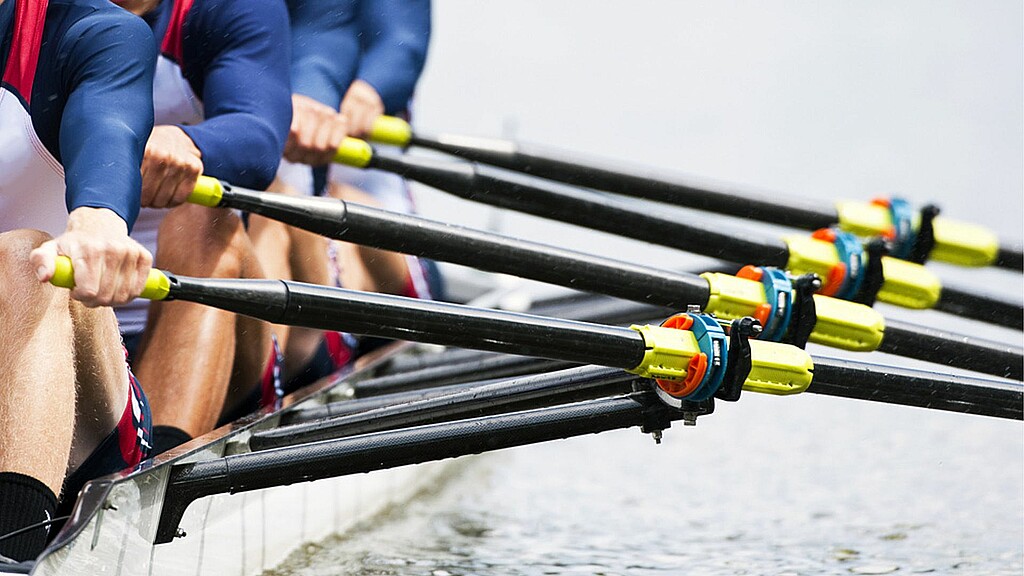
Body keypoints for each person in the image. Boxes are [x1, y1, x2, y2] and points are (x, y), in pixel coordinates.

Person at [0, 0, 156, 562]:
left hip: (83, 414)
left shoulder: (94, 33)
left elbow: (107, 127)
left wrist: (98, 218)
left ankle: (13, 544)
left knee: (27, 256)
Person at [111, 0, 292, 454]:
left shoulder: (221, 10)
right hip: (66, 314)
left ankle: (158, 472)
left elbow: (259, 137)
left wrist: (186, 140)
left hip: (195, 319)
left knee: (202, 217)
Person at [252, 0, 436, 388]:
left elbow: (402, 44)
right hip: (287, 221)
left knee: (330, 202)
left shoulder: (328, 21)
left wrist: (368, 95)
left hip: (381, 233)